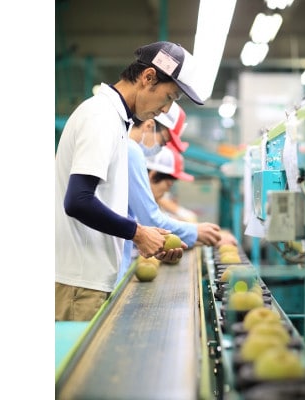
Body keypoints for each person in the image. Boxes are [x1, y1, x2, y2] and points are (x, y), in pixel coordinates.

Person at [55, 41, 204, 321]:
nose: (165, 109)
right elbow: (78, 201)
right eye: (169, 97)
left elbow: (101, 203)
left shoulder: (115, 120)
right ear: (148, 77)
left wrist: (149, 238)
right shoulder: (100, 117)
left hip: (88, 280)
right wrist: (137, 233)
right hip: (79, 283)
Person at [117, 102, 222, 282]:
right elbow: (150, 219)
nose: (161, 147)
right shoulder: (131, 151)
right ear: (149, 125)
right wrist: (195, 231)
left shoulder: (123, 149)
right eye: (163, 141)